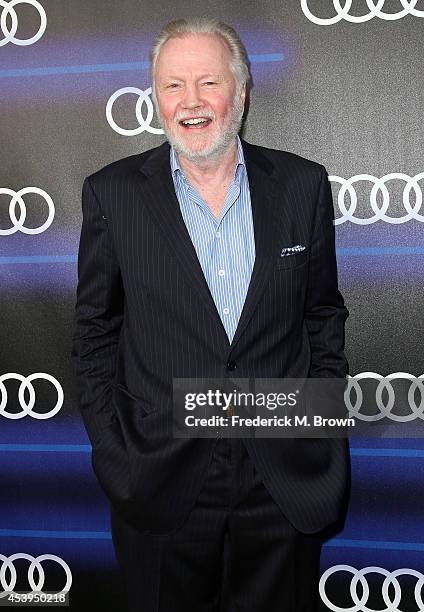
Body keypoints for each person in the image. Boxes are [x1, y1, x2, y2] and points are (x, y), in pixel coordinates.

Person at [72, 17, 349, 612]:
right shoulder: (113, 194)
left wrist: (314, 428)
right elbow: (95, 335)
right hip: (161, 479)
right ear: (154, 97)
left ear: (241, 92)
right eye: (173, 86)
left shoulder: (302, 185)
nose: (190, 103)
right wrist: (119, 459)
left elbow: (322, 316)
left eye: (207, 83)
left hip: (280, 473)